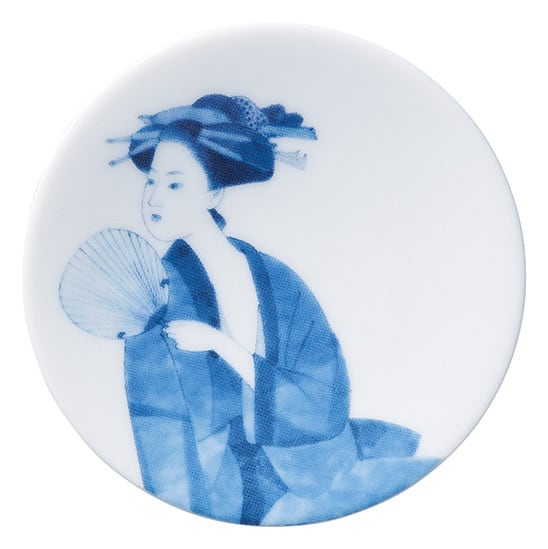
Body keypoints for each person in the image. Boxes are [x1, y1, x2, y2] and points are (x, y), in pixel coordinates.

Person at [112, 94, 438, 525]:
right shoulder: (156, 295)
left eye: (174, 184)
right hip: (224, 492)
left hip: (313, 467)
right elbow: (159, 427)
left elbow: (325, 396)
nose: (154, 199)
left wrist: (222, 346)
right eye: (151, 182)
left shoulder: (275, 277)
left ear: (213, 192)